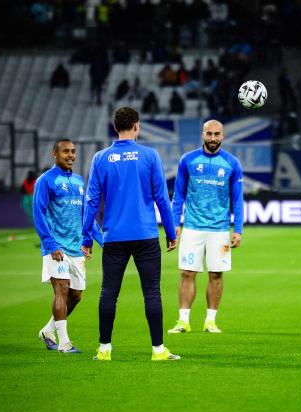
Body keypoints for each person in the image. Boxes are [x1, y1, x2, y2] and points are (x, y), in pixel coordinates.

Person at [82, 107, 179, 362]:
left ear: (115, 127)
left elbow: (92, 201)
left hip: (113, 236)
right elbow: (161, 198)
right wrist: (170, 232)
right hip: (145, 235)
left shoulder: (101, 158)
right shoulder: (149, 155)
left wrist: (85, 238)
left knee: (108, 293)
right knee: (152, 293)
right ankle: (158, 350)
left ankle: (104, 349)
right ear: (136, 125)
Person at [168, 120, 244, 334]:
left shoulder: (232, 163)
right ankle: (183, 321)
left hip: (220, 230)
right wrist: (175, 224)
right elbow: (179, 195)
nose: (213, 138)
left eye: (217, 134)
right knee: (187, 273)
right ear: (202, 134)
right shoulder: (188, 160)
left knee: (216, 274)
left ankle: (210, 321)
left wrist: (237, 229)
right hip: (192, 227)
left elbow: (237, 199)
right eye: (209, 134)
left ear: (223, 136)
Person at [34, 139, 103, 353]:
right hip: (56, 248)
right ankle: (64, 343)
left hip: (76, 249)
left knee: (76, 295)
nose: (70, 155)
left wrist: (100, 240)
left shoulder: (79, 181)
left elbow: (86, 215)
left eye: (73, 152)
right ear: (54, 153)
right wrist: (50, 243)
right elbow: (38, 213)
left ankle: (47, 330)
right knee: (61, 290)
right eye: (65, 151)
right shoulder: (46, 180)